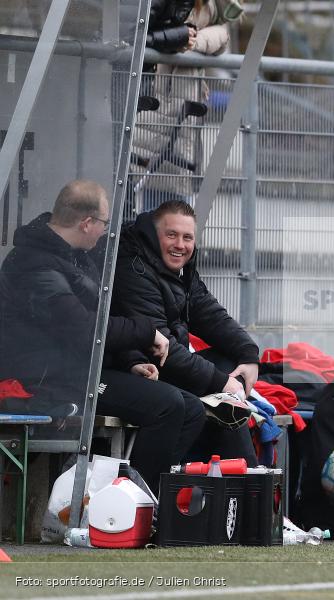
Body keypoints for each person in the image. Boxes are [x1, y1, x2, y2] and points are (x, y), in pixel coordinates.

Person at [0, 180, 206, 491]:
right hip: (45, 381)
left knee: (192, 408)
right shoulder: (34, 265)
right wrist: (147, 333)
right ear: (87, 223)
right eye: (104, 223)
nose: (106, 232)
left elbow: (100, 322)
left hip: (79, 371)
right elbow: (83, 329)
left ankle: (145, 498)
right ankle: (133, 504)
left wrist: (131, 362)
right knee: (168, 405)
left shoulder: (75, 256)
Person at [111, 199, 260, 464]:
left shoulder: (179, 267)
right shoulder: (133, 266)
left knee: (228, 367)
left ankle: (241, 479)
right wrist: (221, 382)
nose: (180, 245)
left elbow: (209, 312)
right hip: (142, 368)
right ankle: (224, 480)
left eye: (187, 237)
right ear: (154, 236)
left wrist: (248, 355)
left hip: (168, 366)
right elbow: (160, 348)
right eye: (172, 235)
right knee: (209, 395)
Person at [132, 0, 240, 214]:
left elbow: (221, 36)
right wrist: (184, 40)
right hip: (162, 97)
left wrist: (193, 41)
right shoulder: (191, 9)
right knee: (156, 187)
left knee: (167, 191)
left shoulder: (209, 9)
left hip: (178, 103)